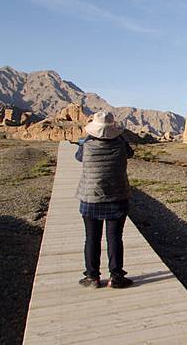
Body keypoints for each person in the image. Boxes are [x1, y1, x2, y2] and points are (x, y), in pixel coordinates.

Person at [75, 111, 134, 289]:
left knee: (92, 238)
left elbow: (78, 157)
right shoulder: (121, 145)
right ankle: (116, 276)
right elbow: (130, 153)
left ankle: (92, 277)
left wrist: (87, 138)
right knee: (115, 238)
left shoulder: (87, 146)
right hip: (117, 198)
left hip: (90, 198)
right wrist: (121, 137)